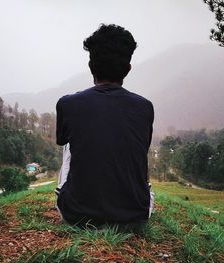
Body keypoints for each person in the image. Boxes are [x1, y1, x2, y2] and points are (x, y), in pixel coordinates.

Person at [55, 24, 154, 228]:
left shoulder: (67, 104)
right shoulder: (145, 107)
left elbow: (64, 142)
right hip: (136, 219)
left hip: (76, 216)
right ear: (128, 69)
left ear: (91, 67)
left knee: (68, 143)